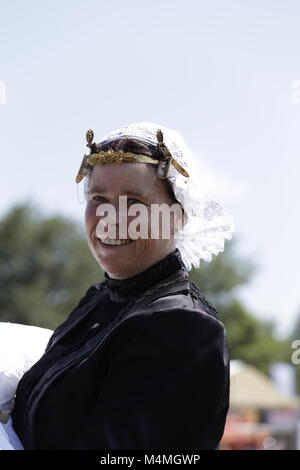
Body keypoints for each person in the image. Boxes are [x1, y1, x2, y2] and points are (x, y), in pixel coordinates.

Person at [11, 122, 234, 450]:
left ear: (178, 216)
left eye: (133, 203)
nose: (111, 218)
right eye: (98, 197)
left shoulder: (184, 327)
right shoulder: (100, 303)